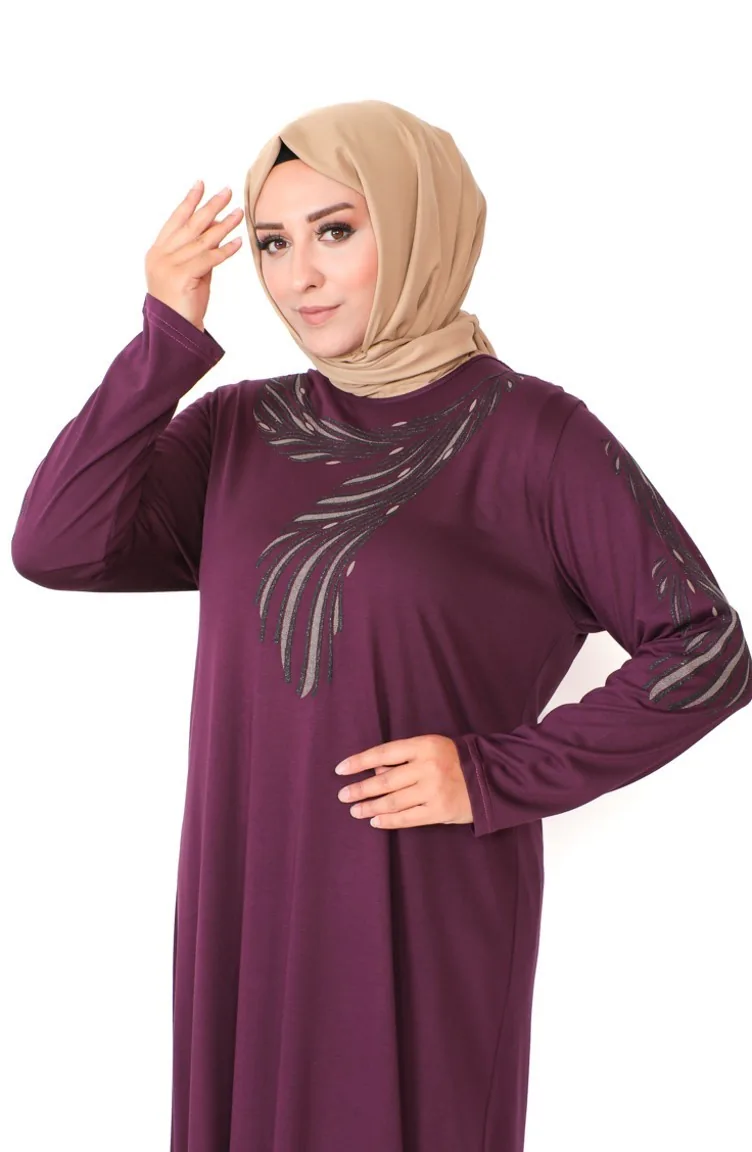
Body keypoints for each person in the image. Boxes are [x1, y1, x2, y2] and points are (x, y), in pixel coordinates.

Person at [10, 99, 751, 1152]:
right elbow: (57, 543)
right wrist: (165, 342)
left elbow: (704, 650)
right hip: (246, 891)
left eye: (335, 231)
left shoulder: (534, 435)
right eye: (273, 243)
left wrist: (490, 774)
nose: (299, 276)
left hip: (415, 907)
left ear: (414, 224)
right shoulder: (240, 428)